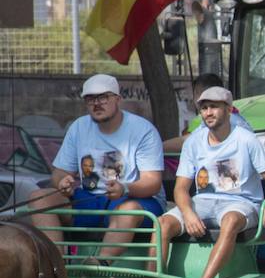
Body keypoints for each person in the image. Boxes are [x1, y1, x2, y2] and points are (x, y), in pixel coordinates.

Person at [28, 74, 164, 262]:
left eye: (103, 98)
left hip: (135, 198)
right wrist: (62, 182)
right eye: (90, 99)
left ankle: (99, 263)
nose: (96, 104)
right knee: (38, 198)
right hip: (89, 199)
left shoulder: (143, 130)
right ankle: (57, 267)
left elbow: (153, 182)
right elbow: (59, 173)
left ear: (118, 99)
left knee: (128, 210)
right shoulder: (79, 127)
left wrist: (125, 188)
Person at [156, 87, 265, 278]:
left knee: (231, 221)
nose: (208, 112)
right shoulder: (193, 142)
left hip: (240, 203)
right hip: (203, 202)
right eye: (204, 108)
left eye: (214, 107)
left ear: (229, 109)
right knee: (161, 224)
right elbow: (181, 188)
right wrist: (189, 214)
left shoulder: (246, 139)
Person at [162, 72, 252, 156]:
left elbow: (190, 142)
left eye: (195, 94)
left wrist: (158, 147)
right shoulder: (229, 118)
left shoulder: (226, 121)